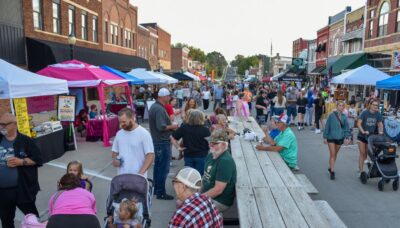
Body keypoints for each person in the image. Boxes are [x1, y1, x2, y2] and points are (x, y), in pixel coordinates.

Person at [0, 113, 42, 228]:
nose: (1, 127)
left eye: (4, 124)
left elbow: (38, 159)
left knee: (33, 220)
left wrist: (21, 162)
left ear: (14, 124)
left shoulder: (26, 141)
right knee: (6, 220)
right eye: (0, 124)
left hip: (23, 189)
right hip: (3, 192)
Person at [149, 88, 179, 200]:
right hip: (162, 141)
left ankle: (157, 190)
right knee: (163, 168)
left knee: (158, 167)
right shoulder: (159, 109)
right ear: (163, 97)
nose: (169, 98)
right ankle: (160, 192)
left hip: (159, 141)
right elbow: (161, 127)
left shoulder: (156, 107)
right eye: (168, 96)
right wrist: (173, 126)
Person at [112, 108, 154, 177]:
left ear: (132, 118)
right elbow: (114, 152)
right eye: (120, 122)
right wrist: (115, 160)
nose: (121, 125)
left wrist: (141, 173)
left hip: (138, 177)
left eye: (124, 122)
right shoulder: (119, 134)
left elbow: (150, 156)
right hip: (121, 176)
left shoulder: (144, 133)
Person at [202, 130, 237, 213]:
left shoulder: (225, 161)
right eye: (210, 142)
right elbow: (205, 177)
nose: (210, 145)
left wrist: (197, 199)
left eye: (214, 143)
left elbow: (218, 190)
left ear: (224, 144)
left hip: (220, 201)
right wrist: (196, 194)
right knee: (181, 202)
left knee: (190, 210)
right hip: (208, 195)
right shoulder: (211, 155)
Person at [171, 110, 211, 175]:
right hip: (202, 155)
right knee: (199, 176)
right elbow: (210, 143)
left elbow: (172, 137)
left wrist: (178, 147)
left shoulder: (184, 127)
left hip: (188, 155)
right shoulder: (205, 129)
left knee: (189, 175)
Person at [323, 101, 351, 180]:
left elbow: (346, 129)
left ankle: (330, 166)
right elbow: (327, 126)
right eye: (340, 105)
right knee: (332, 154)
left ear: (344, 107)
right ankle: (332, 171)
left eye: (342, 106)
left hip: (340, 138)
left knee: (335, 154)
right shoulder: (331, 115)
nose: (341, 107)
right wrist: (325, 137)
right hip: (331, 137)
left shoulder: (344, 117)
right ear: (337, 106)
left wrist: (347, 137)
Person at [357, 98, 384, 173]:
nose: (376, 107)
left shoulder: (378, 114)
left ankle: (365, 166)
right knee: (362, 154)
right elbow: (358, 123)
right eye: (374, 105)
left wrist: (381, 132)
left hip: (370, 137)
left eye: (377, 105)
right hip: (362, 136)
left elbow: (380, 124)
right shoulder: (364, 113)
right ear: (370, 105)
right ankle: (361, 171)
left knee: (367, 154)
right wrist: (363, 131)